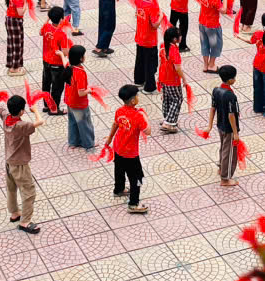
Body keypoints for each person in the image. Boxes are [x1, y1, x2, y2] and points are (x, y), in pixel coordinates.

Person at [0, 92, 44, 234]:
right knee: (29, 192)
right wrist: (35, 110)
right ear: (21, 111)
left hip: (9, 161)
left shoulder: (6, 116)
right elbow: (40, 122)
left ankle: (14, 213)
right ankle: (25, 222)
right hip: (20, 164)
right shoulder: (21, 126)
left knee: (11, 188)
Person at [103, 85, 149, 215]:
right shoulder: (138, 115)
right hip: (131, 153)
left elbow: (115, 124)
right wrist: (144, 115)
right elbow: (148, 131)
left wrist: (110, 139)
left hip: (118, 148)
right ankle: (133, 204)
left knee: (119, 170)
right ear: (133, 100)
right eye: (137, 96)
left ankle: (119, 189)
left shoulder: (119, 111)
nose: (138, 98)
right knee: (137, 178)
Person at [205, 64, 240, 186]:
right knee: (229, 152)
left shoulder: (216, 90)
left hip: (220, 125)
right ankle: (225, 178)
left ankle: (221, 168)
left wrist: (209, 126)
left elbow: (212, 108)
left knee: (223, 148)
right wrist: (235, 133)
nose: (235, 79)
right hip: (229, 128)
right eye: (234, 77)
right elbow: (231, 115)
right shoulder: (230, 96)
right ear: (230, 80)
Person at [61, 44, 94, 150]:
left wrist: (61, 55)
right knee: (85, 124)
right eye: (84, 55)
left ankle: (73, 142)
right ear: (80, 58)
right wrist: (89, 90)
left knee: (73, 122)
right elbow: (81, 93)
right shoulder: (80, 72)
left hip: (69, 101)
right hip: (79, 104)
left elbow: (64, 62)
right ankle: (88, 143)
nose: (85, 57)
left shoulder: (69, 66)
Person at [157, 26, 186, 133]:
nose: (181, 36)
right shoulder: (174, 51)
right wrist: (184, 79)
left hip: (163, 77)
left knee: (167, 99)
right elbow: (177, 68)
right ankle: (168, 122)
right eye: (179, 35)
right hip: (172, 80)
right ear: (174, 39)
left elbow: (161, 62)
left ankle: (167, 117)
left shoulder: (163, 46)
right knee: (177, 99)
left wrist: (159, 77)